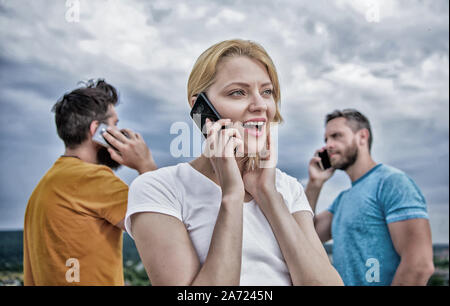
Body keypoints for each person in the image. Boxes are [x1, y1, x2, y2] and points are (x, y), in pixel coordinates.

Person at [125, 39, 343, 286]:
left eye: (267, 92)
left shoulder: (287, 188)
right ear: (199, 106)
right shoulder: (160, 188)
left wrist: (268, 194)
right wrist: (232, 195)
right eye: (238, 92)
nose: (260, 105)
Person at [23, 79, 157, 285]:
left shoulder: (42, 188)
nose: (119, 133)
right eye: (114, 125)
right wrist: (145, 165)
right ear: (97, 130)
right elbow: (161, 231)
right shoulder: (94, 179)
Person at [305, 109, 435, 286]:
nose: (328, 145)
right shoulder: (343, 199)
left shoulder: (392, 182)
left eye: (336, 136)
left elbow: (418, 266)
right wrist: (314, 184)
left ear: (362, 137)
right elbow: (305, 235)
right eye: (326, 139)